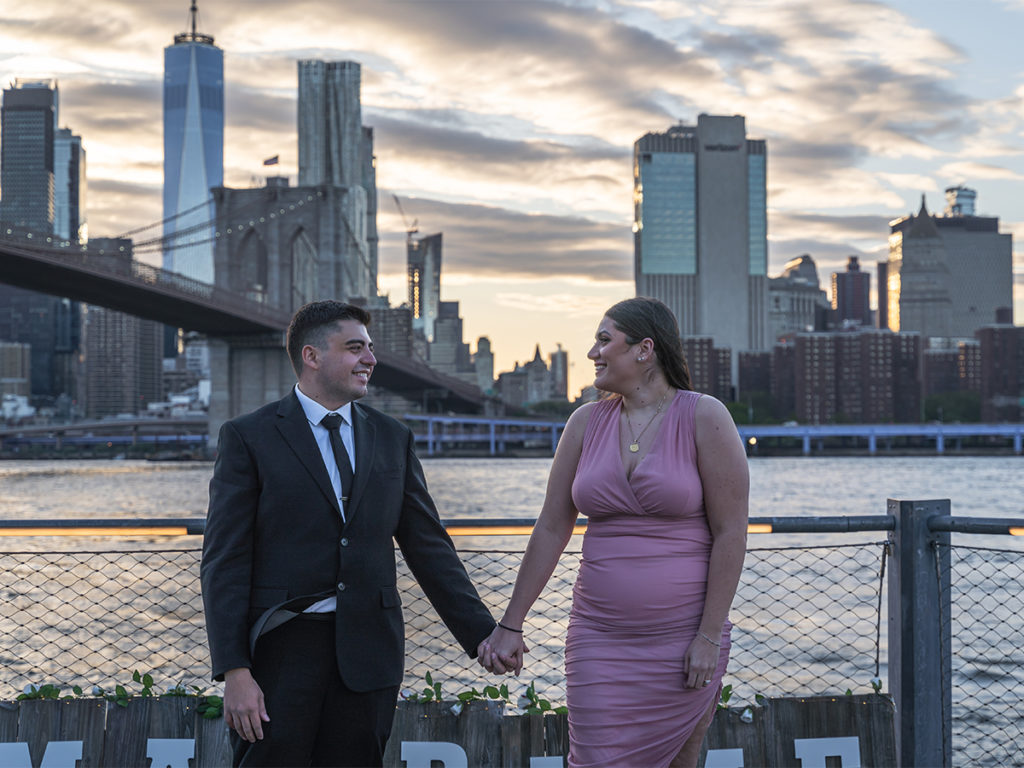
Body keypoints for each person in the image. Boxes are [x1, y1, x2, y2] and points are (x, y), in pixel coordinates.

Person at [200, 300, 498, 767]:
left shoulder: (392, 437)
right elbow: (225, 561)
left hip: (369, 653)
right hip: (280, 654)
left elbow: (428, 546)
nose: (371, 359)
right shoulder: (248, 437)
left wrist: (484, 635)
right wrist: (234, 670)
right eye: (355, 347)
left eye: (371, 348)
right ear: (312, 356)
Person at [481, 296, 748, 768]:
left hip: (684, 640)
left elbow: (731, 532)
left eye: (605, 341)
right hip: (597, 639)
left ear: (645, 350)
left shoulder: (705, 416)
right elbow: (551, 526)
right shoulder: (584, 423)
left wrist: (708, 636)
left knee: (680, 759)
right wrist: (511, 623)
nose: (593, 354)